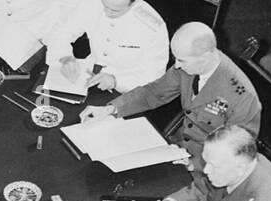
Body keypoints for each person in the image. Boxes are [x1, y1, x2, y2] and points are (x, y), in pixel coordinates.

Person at [80, 21, 260, 165]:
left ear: (205, 57)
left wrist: (193, 164)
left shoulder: (243, 97)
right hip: (176, 146)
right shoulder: (188, 65)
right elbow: (154, 92)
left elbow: (236, 155)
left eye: (181, 60)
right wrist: (110, 109)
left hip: (207, 166)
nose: (177, 66)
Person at [45, 0, 169, 95]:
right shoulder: (92, 1)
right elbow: (60, 33)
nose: (107, 12)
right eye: (105, 5)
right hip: (89, 77)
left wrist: (116, 81)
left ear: (133, 2)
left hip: (126, 92)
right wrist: (64, 57)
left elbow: (154, 77)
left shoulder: (152, 27)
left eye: (115, 10)